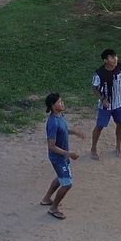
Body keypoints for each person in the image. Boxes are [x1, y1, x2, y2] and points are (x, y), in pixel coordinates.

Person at [40, 92, 84, 220]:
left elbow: (64, 130)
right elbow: (51, 146)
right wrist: (69, 153)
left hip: (62, 156)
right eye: (59, 102)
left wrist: (74, 132)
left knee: (61, 178)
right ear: (53, 106)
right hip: (58, 158)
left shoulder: (60, 116)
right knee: (67, 184)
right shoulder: (52, 123)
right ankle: (53, 208)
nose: (62, 103)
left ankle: (46, 199)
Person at [89, 48, 121, 159]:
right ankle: (93, 148)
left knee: (120, 124)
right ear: (105, 60)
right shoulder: (99, 74)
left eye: (115, 56)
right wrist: (103, 99)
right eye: (111, 57)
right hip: (105, 105)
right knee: (99, 126)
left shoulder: (120, 67)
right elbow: (95, 88)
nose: (115, 59)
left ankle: (118, 147)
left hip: (119, 103)